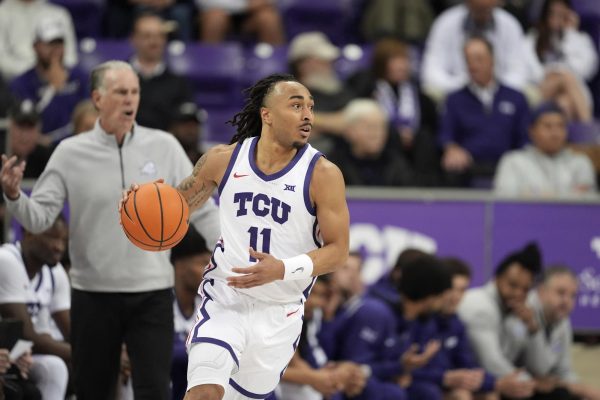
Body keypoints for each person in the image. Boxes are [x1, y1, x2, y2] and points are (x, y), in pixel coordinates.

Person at [0, 60, 220, 400]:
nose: (129, 99)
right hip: (93, 294)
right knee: (94, 391)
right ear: (98, 98)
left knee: (154, 392)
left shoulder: (164, 146)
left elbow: (201, 208)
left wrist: (229, 248)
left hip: (152, 293)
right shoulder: (70, 153)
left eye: (134, 92)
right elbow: (39, 218)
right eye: (120, 92)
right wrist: (15, 196)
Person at [123, 73, 349, 399]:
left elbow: (339, 252)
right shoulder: (223, 159)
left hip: (279, 313)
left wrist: (281, 269)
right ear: (266, 114)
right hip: (225, 300)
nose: (307, 115)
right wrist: (140, 204)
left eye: (310, 108)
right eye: (296, 105)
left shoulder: (323, 174)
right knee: (204, 392)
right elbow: (175, 206)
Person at [439, 36, 529, 186]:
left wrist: (517, 160)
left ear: (492, 60)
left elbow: (525, 137)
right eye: (469, 60)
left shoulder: (516, 97)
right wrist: (452, 149)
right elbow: (446, 135)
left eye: (479, 59)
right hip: (469, 166)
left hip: (509, 165)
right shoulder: (454, 99)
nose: (473, 65)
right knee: (450, 167)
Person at [458, 242, 543, 399]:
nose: (518, 294)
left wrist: (532, 328)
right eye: (512, 285)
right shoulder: (479, 305)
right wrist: (531, 382)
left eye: (525, 289)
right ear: (497, 278)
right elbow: (491, 363)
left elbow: (539, 367)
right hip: (471, 383)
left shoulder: (521, 311)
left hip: (497, 381)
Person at [0, 216, 70, 399]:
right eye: (52, 237)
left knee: (57, 367)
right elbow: (27, 333)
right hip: (5, 350)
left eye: (63, 240)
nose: (59, 247)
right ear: (29, 232)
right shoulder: (7, 260)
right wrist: (95, 354)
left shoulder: (54, 272)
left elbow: (48, 334)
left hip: (20, 354)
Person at [421, 0, 528, 100]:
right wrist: (468, 88)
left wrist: (491, 88)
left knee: (527, 93)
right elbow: (431, 74)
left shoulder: (510, 24)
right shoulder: (445, 23)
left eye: (487, 9)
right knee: (431, 92)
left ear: (497, 3)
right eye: (478, 8)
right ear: (467, 3)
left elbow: (518, 73)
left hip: (499, 94)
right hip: (456, 93)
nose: (482, 13)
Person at [9, 16, 89, 144]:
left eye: (59, 43)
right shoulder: (21, 83)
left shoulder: (80, 78)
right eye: (49, 44)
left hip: (75, 144)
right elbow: (28, 120)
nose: (55, 49)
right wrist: (52, 90)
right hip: (37, 150)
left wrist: (56, 138)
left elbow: (87, 117)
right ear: (35, 46)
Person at [525, 266, 600, 400]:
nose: (567, 301)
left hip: (543, 384)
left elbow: (564, 370)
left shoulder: (562, 320)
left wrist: (583, 390)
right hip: (517, 384)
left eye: (572, 296)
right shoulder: (525, 312)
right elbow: (537, 368)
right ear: (541, 291)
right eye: (560, 293)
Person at [494, 102, 597, 197]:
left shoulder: (580, 162)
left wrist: (532, 193)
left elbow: (588, 206)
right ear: (532, 131)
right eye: (548, 126)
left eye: (560, 126)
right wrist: (570, 194)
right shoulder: (514, 161)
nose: (555, 133)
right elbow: (505, 204)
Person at [523, 0, 598, 123]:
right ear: (545, 15)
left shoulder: (579, 39)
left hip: (572, 95)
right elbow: (528, 73)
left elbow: (586, 70)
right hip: (542, 90)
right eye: (553, 14)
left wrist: (570, 34)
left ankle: (566, 139)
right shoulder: (530, 40)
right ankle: (589, 129)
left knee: (564, 103)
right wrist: (555, 75)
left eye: (562, 14)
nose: (557, 19)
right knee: (565, 77)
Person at [326, 99, 414, 187]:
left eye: (381, 128)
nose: (375, 134)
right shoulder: (332, 166)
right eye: (369, 127)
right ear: (349, 131)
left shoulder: (397, 165)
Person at [130, 13, 193, 131]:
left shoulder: (178, 83)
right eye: (146, 36)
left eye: (159, 36)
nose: (154, 42)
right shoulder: (118, 77)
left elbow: (185, 124)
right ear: (134, 39)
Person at [171, 227, 212, 400]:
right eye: (203, 263)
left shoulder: (209, 304)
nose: (209, 271)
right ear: (179, 267)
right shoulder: (158, 306)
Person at [0, 0, 78, 81]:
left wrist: (57, 71)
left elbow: (70, 57)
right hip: (14, 79)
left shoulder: (58, 13)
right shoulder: (2, 13)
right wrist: (36, 73)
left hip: (57, 76)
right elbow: (1, 59)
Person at [196, 0, 285, 44]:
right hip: (217, 11)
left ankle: (279, 75)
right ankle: (209, 71)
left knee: (268, 18)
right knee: (215, 18)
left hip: (253, 14)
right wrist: (244, 6)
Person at [6, 100, 53, 179]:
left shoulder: (48, 160)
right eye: (20, 127)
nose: (24, 136)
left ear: (38, 130)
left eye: (30, 128)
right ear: (10, 127)